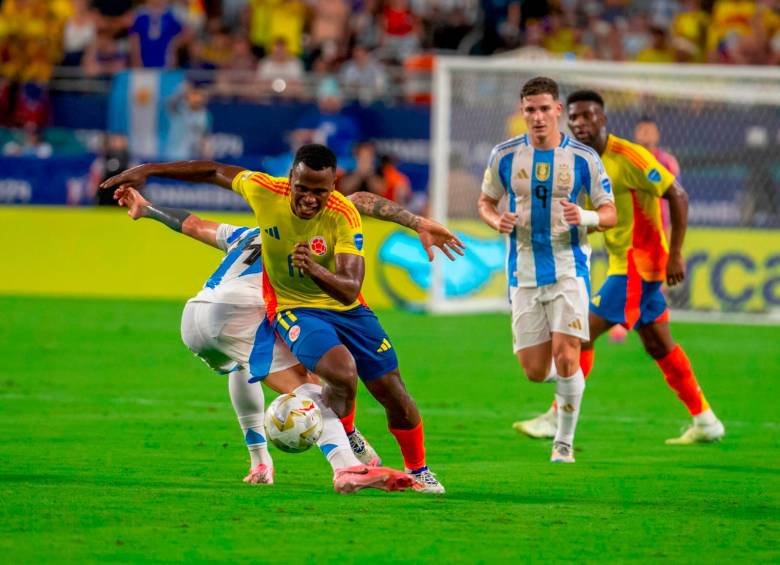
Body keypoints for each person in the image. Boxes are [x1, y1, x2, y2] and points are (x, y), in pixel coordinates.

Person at [100, 144, 465, 493]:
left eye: (319, 192)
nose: (309, 199)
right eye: (302, 189)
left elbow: (192, 224)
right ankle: (345, 461)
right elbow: (211, 174)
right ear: (289, 180)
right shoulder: (265, 194)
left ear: (333, 187)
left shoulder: (268, 230)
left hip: (211, 315)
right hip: (278, 311)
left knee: (383, 390)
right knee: (314, 383)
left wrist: (147, 208)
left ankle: (264, 463)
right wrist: (148, 171)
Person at [514, 90, 725, 445]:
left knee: (579, 336)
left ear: (603, 118)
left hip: (639, 265)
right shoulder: (581, 160)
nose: (581, 124)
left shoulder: (629, 156)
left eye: (589, 116)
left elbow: (679, 195)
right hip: (621, 262)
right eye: (575, 118)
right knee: (660, 346)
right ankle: (705, 420)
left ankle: (556, 417)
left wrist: (675, 254)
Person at [477, 77, 617, 463]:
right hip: (522, 273)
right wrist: (495, 220)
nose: (537, 117)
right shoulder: (504, 156)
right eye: (529, 110)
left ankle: (564, 444)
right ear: (522, 113)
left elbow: (609, 212)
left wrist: (584, 215)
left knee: (567, 354)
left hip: (569, 269)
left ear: (558, 110)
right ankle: (573, 383)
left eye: (544, 109)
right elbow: (485, 201)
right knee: (535, 371)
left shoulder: (584, 158)